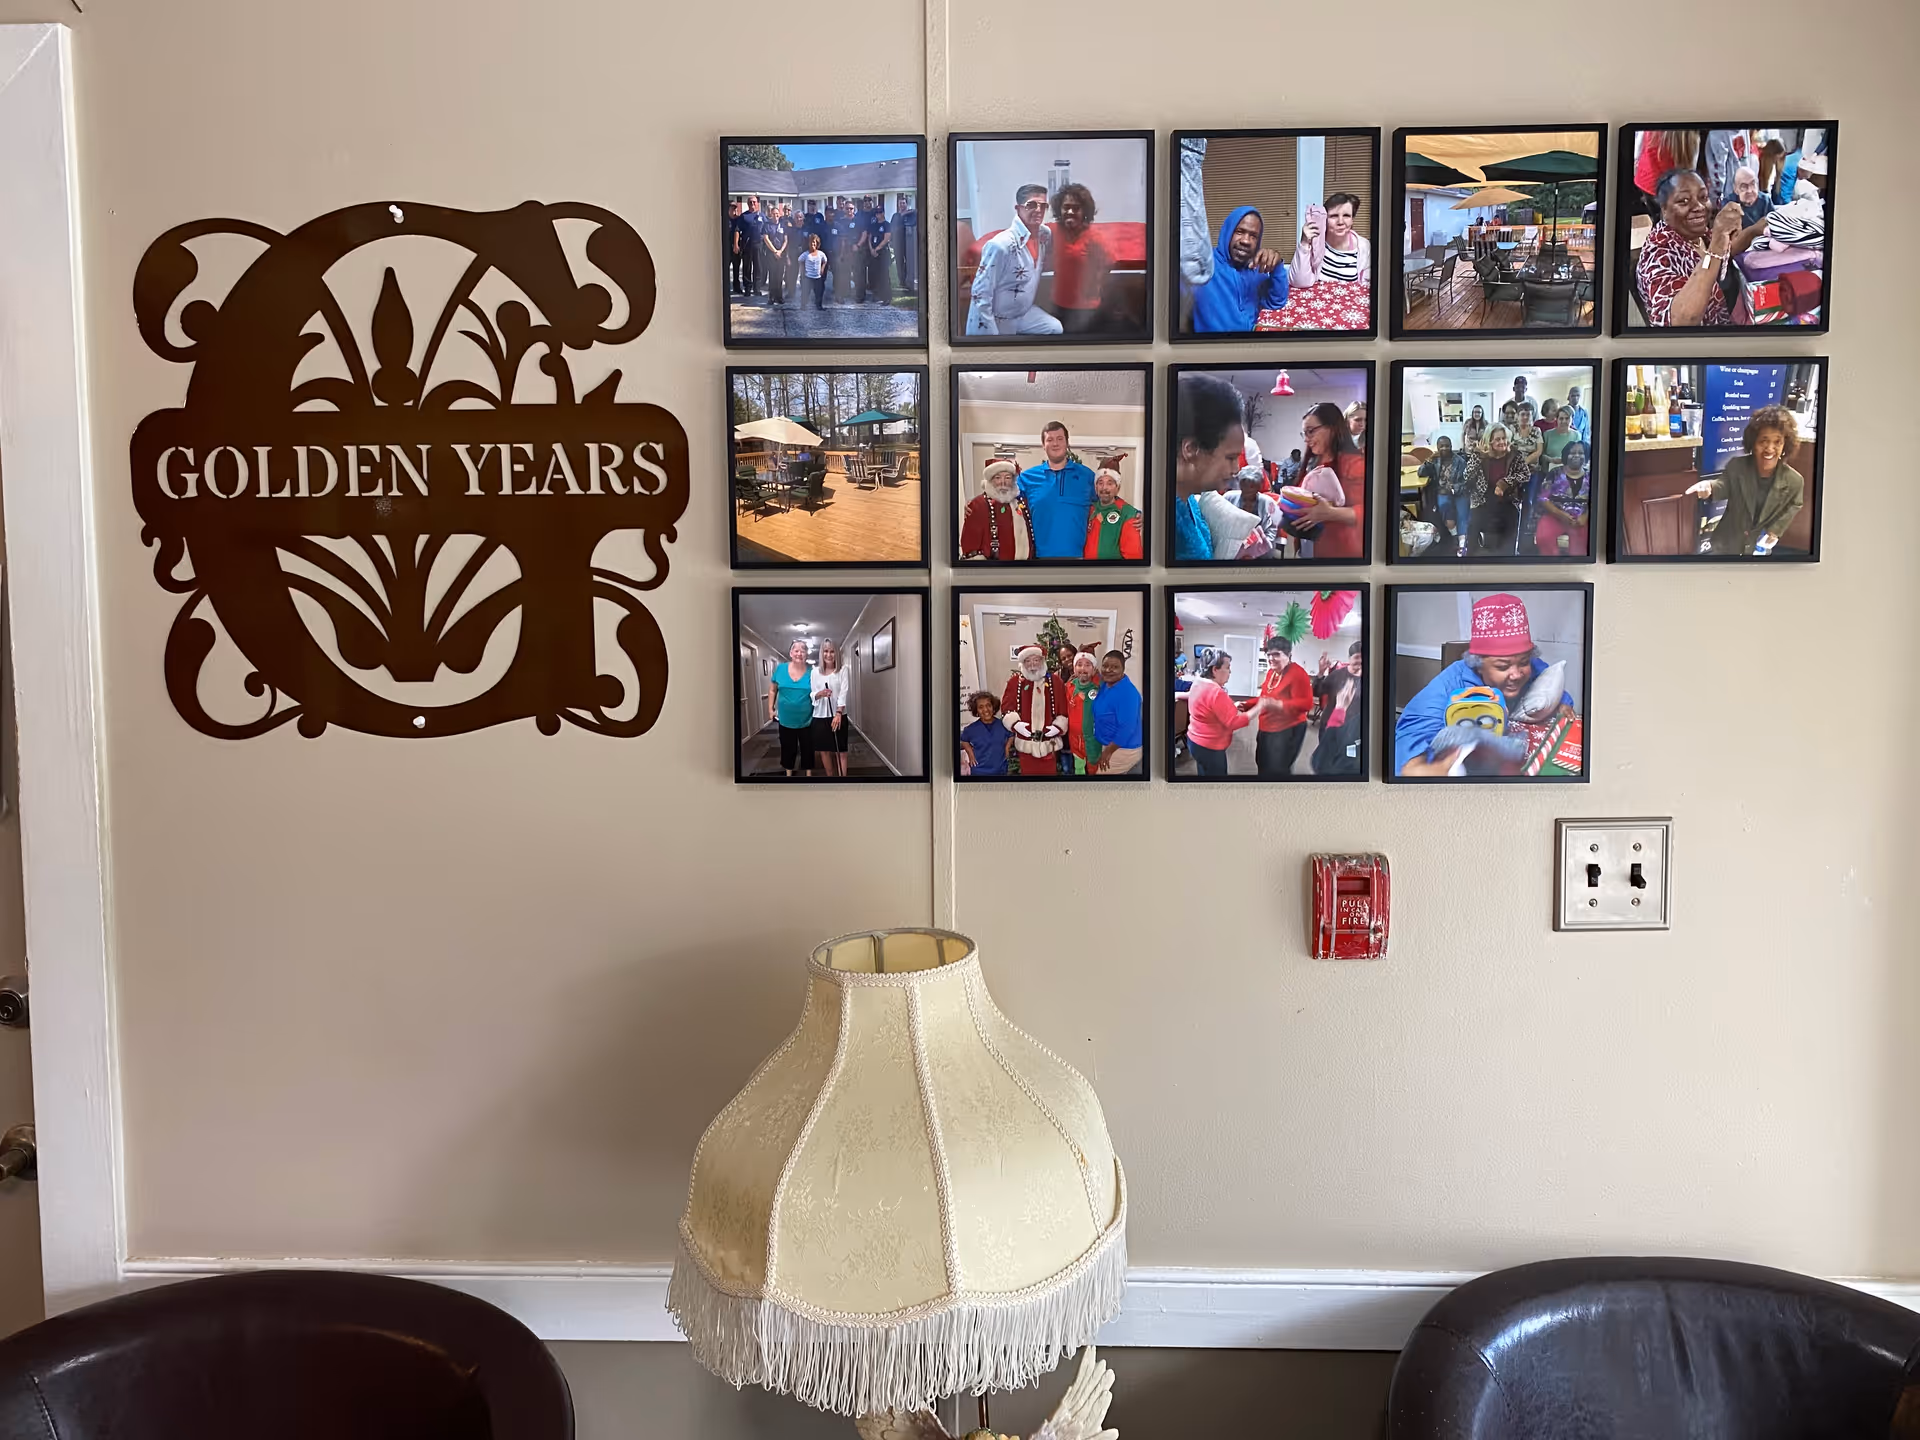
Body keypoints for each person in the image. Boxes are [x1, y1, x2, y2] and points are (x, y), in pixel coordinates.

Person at [1395, 593, 1574, 777]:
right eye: (1502, 666)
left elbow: (1550, 684)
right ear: (1477, 664)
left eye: (1523, 662)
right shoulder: (1446, 687)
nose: (1516, 674)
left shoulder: (1532, 667)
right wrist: (1424, 768)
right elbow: (1408, 751)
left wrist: (1561, 702)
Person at [1177, 136, 1287, 333]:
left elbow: (1276, 302)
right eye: (1240, 232)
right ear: (1227, 232)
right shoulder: (1204, 264)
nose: (1245, 240)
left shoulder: (1256, 269)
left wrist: (1278, 266)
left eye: (1253, 236)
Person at [1636, 169, 1764, 327]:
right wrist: (1717, 243)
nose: (1699, 207)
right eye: (1683, 201)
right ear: (1664, 209)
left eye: (1703, 197)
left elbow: (1726, 250)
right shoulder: (1657, 255)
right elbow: (1680, 320)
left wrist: (1755, 230)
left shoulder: (1696, 234)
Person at [1685, 404, 1805, 555]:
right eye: (1763, 440)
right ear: (1753, 443)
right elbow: (1723, 485)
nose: (1769, 448)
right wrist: (1709, 487)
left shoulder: (1794, 481)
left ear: (1785, 445)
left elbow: (1795, 504)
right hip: (1726, 546)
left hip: (1759, 548)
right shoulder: (1737, 466)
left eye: (1777, 442)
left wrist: (1776, 530)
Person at [966, 184, 1062, 335]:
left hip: (1024, 313)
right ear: (1018, 208)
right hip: (1000, 318)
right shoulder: (1000, 245)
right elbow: (981, 294)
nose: (1038, 210)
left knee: (1054, 329)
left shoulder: (1044, 235)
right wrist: (989, 337)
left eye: (1043, 206)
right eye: (1031, 205)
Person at [1172, 372, 1248, 562]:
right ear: (1191, 449)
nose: (1236, 468)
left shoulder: (1189, 498)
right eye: (1230, 458)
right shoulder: (1160, 520)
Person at [1294, 402, 1367, 559]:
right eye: (1304, 433)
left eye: (1311, 431)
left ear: (1332, 429)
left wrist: (1331, 513)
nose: (1306, 439)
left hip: (1341, 554)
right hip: (1312, 548)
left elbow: (1372, 512)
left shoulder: (1355, 464)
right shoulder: (1315, 463)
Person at [1019, 421, 1097, 560]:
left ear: (1067, 442)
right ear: (1043, 445)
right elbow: (1003, 498)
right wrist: (976, 507)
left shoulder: (1087, 476)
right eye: (1050, 439)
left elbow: (1107, 502)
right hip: (1039, 561)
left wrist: (1133, 516)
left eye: (1060, 439)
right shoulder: (1026, 478)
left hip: (1079, 561)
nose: (1055, 444)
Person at [1048, 183, 1113, 335]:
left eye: (1076, 208)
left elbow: (1109, 264)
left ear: (1084, 212)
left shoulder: (1095, 238)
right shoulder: (1053, 231)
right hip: (1058, 304)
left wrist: (1094, 286)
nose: (1070, 212)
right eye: (1066, 207)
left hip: (1085, 309)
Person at [1184, 652, 1257, 777]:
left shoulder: (1198, 683)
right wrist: (1258, 708)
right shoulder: (1216, 692)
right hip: (1210, 748)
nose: (1230, 672)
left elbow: (1208, 707)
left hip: (1195, 742)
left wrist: (1231, 707)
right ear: (1215, 669)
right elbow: (1234, 722)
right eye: (1227, 667)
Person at [1002, 645, 1068, 775]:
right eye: (1027, 661)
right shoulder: (1015, 682)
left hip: (1049, 744)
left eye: (1036, 660)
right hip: (1026, 745)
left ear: (1042, 661)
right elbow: (1007, 708)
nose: (1032, 664)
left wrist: (1058, 726)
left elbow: (1063, 709)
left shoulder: (1055, 681)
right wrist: (1015, 724)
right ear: (1023, 663)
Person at [1252, 636, 1313, 778]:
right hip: (1266, 726)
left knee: (1278, 770)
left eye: (1276, 654)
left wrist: (1279, 705)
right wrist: (1246, 704)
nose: (1271, 658)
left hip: (1287, 729)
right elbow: (1265, 697)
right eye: (1269, 654)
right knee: (1262, 763)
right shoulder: (1271, 672)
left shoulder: (1298, 674)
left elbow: (1306, 704)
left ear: (1289, 655)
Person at [1288, 191, 1371, 288]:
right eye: (1334, 216)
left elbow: (1365, 288)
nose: (1340, 222)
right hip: (1318, 301)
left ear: (1352, 220)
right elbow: (1299, 282)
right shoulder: (1316, 243)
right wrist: (1304, 242)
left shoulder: (1364, 247)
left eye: (1346, 216)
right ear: (1325, 219)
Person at [959, 457, 1035, 560]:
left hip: (1024, 570)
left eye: (1007, 477)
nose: (1002, 482)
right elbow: (970, 547)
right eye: (997, 478)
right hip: (992, 573)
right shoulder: (978, 505)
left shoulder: (1023, 503)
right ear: (990, 480)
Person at [1463, 425, 1522, 556]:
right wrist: (1478, 456)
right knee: (1474, 523)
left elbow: (1523, 474)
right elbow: (1467, 475)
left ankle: (1509, 557)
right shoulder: (1481, 455)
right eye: (1497, 439)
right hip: (1483, 499)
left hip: (1508, 499)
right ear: (1489, 441)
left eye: (1504, 438)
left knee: (1513, 517)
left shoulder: (1513, 455)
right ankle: (1469, 559)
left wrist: (1505, 483)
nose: (1502, 442)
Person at [1310, 643, 1365, 776]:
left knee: (1346, 762)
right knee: (1325, 758)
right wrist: (1321, 673)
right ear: (1350, 658)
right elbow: (1317, 692)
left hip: (1353, 730)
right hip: (1330, 726)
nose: (1361, 661)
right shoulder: (1337, 675)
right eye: (1357, 657)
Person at [765, 639, 816, 777]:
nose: (799, 653)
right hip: (785, 720)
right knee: (788, 748)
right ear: (791, 653)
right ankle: (788, 773)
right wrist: (770, 709)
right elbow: (772, 690)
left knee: (808, 748)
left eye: (803, 650)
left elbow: (816, 693)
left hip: (807, 720)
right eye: (796, 650)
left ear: (807, 654)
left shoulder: (813, 672)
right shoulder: (780, 669)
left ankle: (808, 774)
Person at [1087, 651, 1143, 775]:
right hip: (1107, 743)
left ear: (1123, 669)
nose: (1108, 670)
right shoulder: (1107, 683)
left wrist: (1108, 752)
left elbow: (1127, 728)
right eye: (1105, 666)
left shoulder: (1127, 694)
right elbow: (1094, 673)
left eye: (1115, 667)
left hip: (1123, 748)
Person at [1533, 440, 1592, 556]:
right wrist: (1561, 515)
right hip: (1555, 515)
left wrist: (1585, 516)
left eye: (1581, 453)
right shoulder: (1554, 473)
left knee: (1585, 543)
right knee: (1543, 537)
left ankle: (1576, 570)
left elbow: (1597, 500)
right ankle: (1552, 567)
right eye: (1572, 452)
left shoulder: (1591, 476)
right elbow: (1543, 498)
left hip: (1581, 519)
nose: (1576, 455)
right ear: (1566, 455)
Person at [1417, 435, 1470, 545]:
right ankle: (1454, 534)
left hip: (1459, 492)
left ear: (1451, 446)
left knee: (1462, 513)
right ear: (1437, 447)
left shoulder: (1460, 462)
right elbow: (1421, 473)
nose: (1444, 448)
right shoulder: (1435, 461)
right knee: (1444, 505)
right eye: (1441, 446)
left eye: (1447, 446)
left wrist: (1452, 489)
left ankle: (1462, 541)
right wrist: (1429, 459)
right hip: (1442, 492)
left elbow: (1467, 483)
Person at [1082, 464, 1143, 560]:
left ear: (1117, 488)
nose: (1104, 488)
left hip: (1113, 573)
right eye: (1100, 483)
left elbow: (1133, 556)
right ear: (1096, 487)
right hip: (1087, 572)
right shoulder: (1089, 509)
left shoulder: (1128, 514)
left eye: (1110, 483)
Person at [809, 639, 850, 777]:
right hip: (820, 717)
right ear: (821, 653)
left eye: (832, 651)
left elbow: (843, 693)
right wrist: (819, 694)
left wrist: (839, 713)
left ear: (836, 653)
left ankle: (843, 781)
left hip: (838, 716)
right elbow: (812, 693)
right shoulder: (815, 672)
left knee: (841, 751)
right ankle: (830, 778)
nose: (829, 654)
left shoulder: (843, 670)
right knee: (824, 751)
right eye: (826, 651)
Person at [1065, 652, 1103, 774]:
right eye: (1079, 665)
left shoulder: (1100, 688)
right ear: (1074, 668)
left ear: (1094, 669)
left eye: (1088, 665)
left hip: (1093, 739)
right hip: (1074, 740)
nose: (1083, 668)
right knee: (1079, 768)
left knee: (1094, 769)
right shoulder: (1069, 687)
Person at [959, 691, 1012, 777]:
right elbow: (964, 740)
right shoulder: (971, 729)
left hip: (1000, 770)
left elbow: (1011, 734)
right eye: (981, 707)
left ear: (993, 707)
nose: (985, 710)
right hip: (979, 771)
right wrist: (970, 754)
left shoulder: (1003, 725)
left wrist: (1007, 747)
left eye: (988, 705)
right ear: (976, 711)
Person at [829, 198, 863, 304]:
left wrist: (858, 245)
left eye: (851, 208)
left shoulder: (858, 220)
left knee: (858, 273)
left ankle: (859, 296)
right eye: (847, 208)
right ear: (844, 209)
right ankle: (844, 293)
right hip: (845, 250)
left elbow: (865, 234)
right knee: (844, 273)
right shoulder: (840, 221)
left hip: (856, 249)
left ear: (854, 209)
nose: (849, 210)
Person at [863, 201, 893, 306]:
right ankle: (877, 295)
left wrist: (877, 249)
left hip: (883, 252)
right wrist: (871, 249)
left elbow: (886, 239)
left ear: (883, 213)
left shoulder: (887, 224)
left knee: (884, 275)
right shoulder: (873, 225)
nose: (878, 214)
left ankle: (887, 297)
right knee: (874, 275)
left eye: (880, 212)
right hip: (873, 252)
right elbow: (869, 237)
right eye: (877, 213)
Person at [759, 206, 788, 307]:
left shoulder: (783, 225)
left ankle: (779, 297)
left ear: (779, 215)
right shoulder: (767, 225)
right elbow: (766, 239)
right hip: (771, 254)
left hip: (781, 254)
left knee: (779, 276)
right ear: (770, 215)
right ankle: (771, 297)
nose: (775, 216)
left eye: (777, 214)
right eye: (773, 214)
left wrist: (780, 251)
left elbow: (786, 240)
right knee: (772, 276)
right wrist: (775, 251)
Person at [890, 193, 917, 296]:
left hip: (909, 242)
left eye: (903, 203)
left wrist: (906, 213)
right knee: (899, 262)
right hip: (898, 242)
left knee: (910, 262)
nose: (902, 205)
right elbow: (892, 229)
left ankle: (909, 281)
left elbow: (916, 215)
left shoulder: (911, 214)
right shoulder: (895, 216)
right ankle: (902, 281)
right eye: (900, 203)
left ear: (906, 204)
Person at [799, 233, 829, 310]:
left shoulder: (821, 254)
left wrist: (822, 269)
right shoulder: (805, 254)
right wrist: (802, 270)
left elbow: (825, 261)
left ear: (817, 244)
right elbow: (800, 260)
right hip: (808, 277)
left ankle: (819, 306)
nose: (812, 244)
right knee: (805, 293)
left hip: (817, 277)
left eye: (814, 242)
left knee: (819, 293)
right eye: (811, 242)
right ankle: (803, 306)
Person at [726, 201, 748, 296]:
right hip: (726, 247)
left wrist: (737, 245)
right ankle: (725, 287)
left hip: (736, 247)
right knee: (725, 268)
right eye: (732, 208)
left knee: (736, 268)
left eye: (735, 208)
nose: (734, 209)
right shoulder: (724, 219)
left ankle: (737, 287)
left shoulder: (738, 220)